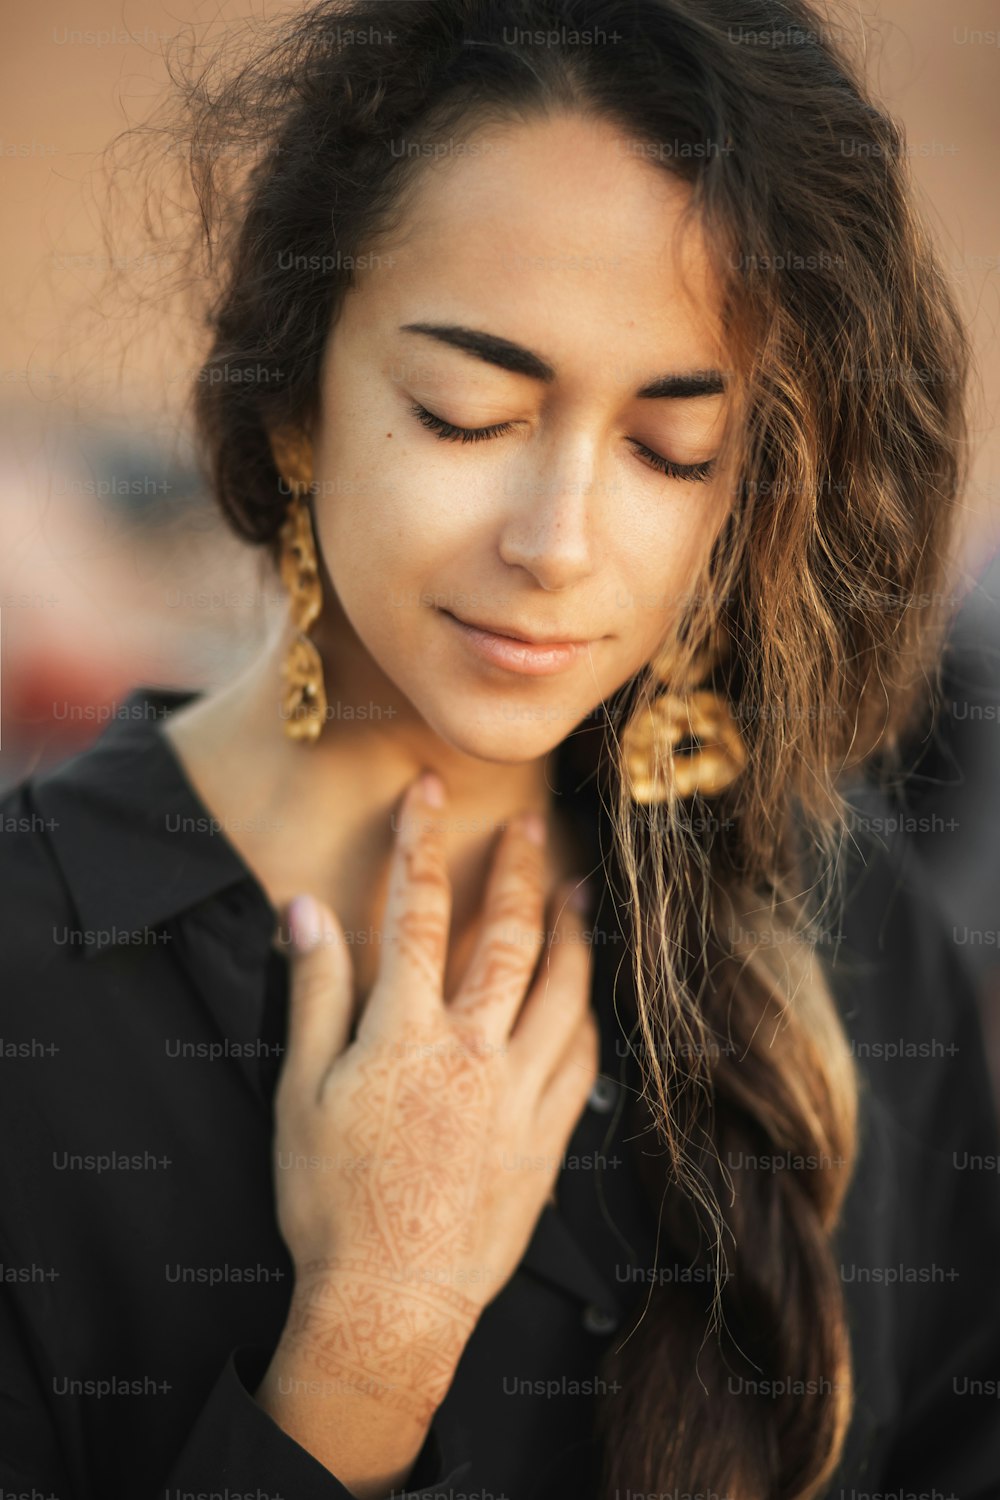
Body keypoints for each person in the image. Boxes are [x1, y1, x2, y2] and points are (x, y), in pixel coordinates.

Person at [2, 1, 999, 1497]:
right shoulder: (30, 978)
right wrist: (366, 1351)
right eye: (466, 414)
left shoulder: (851, 942)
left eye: (672, 452)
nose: (559, 545)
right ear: (294, 393)